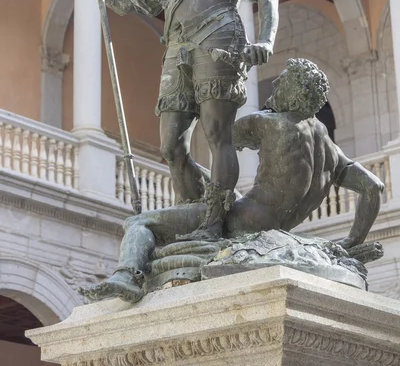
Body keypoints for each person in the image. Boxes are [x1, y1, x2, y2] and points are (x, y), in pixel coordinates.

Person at [79, 58, 384, 304]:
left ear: (296, 90)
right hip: (270, 225)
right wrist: (350, 243)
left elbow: (219, 137)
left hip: (239, 221)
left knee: (139, 224)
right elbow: (373, 188)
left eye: (283, 79)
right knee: (202, 178)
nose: (276, 82)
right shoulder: (330, 149)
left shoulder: (268, 123)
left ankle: (126, 277)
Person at [81, 0, 279, 240]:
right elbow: (128, 3)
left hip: (218, 43)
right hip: (177, 53)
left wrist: (265, 40)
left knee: (218, 134)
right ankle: (196, 207)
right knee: (171, 146)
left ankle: (214, 222)